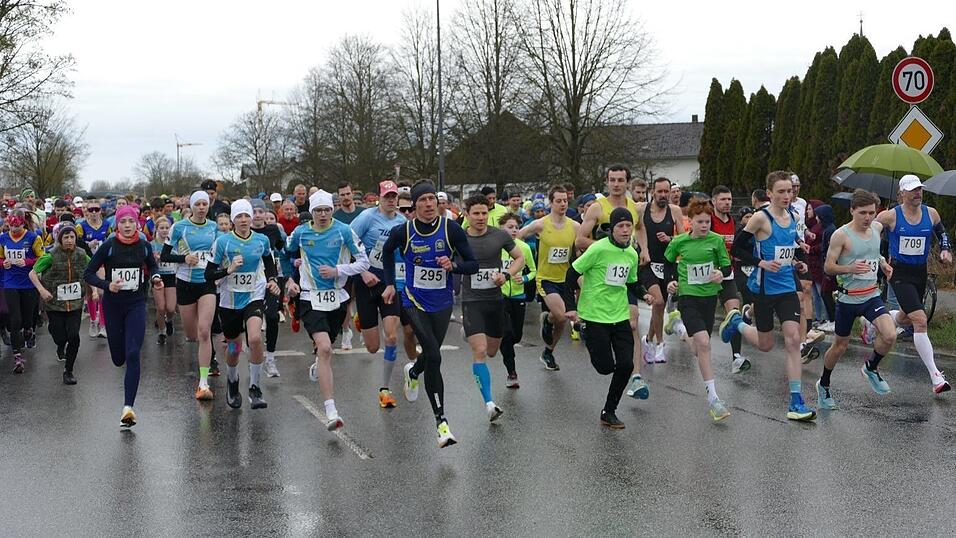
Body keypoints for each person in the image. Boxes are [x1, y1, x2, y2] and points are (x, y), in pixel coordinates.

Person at [381, 180, 478, 448]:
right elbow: (387, 253)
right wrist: (390, 284)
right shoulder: (404, 232)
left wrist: (453, 265)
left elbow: (472, 264)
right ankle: (441, 423)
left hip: (442, 301)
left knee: (430, 355)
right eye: (422, 201)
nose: (428, 205)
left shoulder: (452, 230)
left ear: (437, 202)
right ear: (414, 206)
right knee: (434, 355)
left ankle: (413, 373)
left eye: (431, 200)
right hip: (413, 300)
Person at [721, 170, 817, 421]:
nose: (787, 195)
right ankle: (737, 323)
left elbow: (789, 248)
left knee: (793, 339)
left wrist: (799, 262)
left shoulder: (794, 215)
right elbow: (739, 249)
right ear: (770, 194)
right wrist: (760, 263)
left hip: (786, 287)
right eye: (782, 191)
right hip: (763, 289)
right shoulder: (760, 219)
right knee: (765, 345)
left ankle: (796, 400)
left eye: (790, 191)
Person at [287, 190, 370, 430]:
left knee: (326, 351)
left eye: (326, 210)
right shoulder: (301, 233)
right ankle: (331, 410)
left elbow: (363, 262)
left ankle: (318, 365)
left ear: (332, 210)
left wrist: (338, 271)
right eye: (318, 211)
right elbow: (285, 252)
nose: (323, 215)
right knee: (324, 348)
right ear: (311, 212)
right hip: (309, 297)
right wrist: (290, 277)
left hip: (337, 299)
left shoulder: (344, 231)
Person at [563, 208, 645, 428]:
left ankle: (609, 410)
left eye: (629, 226)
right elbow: (571, 274)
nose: (626, 230)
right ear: (612, 228)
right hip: (595, 314)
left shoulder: (631, 253)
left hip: (619, 314)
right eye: (621, 226)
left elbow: (631, 282)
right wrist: (571, 307)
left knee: (626, 365)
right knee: (605, 367)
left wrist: (644, 293)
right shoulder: (598, 249)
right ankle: (584, 330)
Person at [84, 205, 164, 427]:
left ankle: (128, 408)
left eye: (131, 222)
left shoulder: (144, 246)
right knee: (118, 358)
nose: (127, 226)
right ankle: (120, 362)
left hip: (136, 304)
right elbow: (88, 273)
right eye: (123, 222)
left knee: (132, 354)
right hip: (113, 305)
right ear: (117, 225)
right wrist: (107, 285)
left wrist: (156, 277)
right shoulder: (109, 246)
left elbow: (152, 266)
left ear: (137, 223)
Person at [817, 189, 896, 409]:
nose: (868, 218)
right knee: (840, 346)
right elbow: (828, 267)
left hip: (871, 295)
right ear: (852, 210)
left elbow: (873, 253)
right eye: (862, 213)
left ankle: (871, 367)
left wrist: (882, 263)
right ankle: (824, 384)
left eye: (871, 213)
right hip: (848, 299)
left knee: (889, 335)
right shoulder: (841, 235)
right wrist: (849, 268)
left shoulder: (877, 228)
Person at [577, 165, 651, 400]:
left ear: (627, 183)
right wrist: (607, 249)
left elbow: (640, 228)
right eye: (612, 180)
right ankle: (589, 332)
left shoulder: (634, 207)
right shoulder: (598, 208)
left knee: (633, 321)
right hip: (600, 276)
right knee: (605, 358)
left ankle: (636, 376)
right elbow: (580, 239)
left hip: (623, 274)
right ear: (607, 182)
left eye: (620, 180)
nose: (616, 184)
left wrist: (644, 249)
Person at [875, 174, 951, 394]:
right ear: (901, 194)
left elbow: (942, 233)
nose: (917, 193)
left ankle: (876, 319)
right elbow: (869, 238)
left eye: (919, 189)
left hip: (920, 272)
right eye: (912, 190)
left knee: (906, 317)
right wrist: (880, 261)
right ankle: (936, 377)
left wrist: (945, 249)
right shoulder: (890, 216)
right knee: (920, 319)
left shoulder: (931, 213)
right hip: (899, 272)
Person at [661, 200, 733, 421]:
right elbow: (668, 264)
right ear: (689, 221)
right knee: (704, 343)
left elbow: (727, 265)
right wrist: (670, 282)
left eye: (707, 221)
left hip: (709, 297)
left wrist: (721, 273)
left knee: (697, 348)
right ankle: (713, 399)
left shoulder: (716, 241)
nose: (704, 225)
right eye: (700, 221)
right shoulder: (679, 242)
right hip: (688, 297)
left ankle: (678, 328)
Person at [205, 200, 281, 410]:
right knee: (234, 347)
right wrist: (228, 270)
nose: (244, 220)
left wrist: (272, 280)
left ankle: (255, 387)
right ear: (232, 220)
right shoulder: (223, 243)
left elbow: (268, 262)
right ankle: (232, 379)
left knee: (255, 338)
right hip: (229, 300)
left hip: (253, 295)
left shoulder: (261, 240)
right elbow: (208, 274)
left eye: (247, 216)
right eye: (239, 216)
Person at [460, 194, 525, 421]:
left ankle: (470, 332)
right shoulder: (459, 238)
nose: (480, 217)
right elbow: (447, 261)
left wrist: (506, 275)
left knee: (492, 351)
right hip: (471, 301)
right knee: (479, 352)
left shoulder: (499, 236)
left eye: (484, 213)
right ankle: (489, 403)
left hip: (495, 301)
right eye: (475, 213)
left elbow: (520, 259)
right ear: (466, 214)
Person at [350, 180, 407, 408]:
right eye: (387, 197)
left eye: (394, 197)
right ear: (379, 198)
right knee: (373, 347)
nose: (391, 200)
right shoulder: (367, 217)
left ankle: (384, 389)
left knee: (391, 337)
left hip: (389, 284)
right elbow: (348, 242)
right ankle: (360, 319)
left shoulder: (403, 222)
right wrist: (362, 272)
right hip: (366, 281)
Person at [161, 191, 221, 400]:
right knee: (192, 334)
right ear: (192, 206)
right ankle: (203, 362)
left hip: (207, 283)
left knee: (204, 331)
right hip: (185, 283)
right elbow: (165, 254)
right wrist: (184, 258)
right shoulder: (180, 227)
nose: (202, 207)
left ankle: (203, 382)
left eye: (205, 204)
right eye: (198, 204)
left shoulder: (214, 227)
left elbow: (221, 252)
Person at [518, 185, 579, 371]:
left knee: (562, 319)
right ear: (550, 203)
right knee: (561, 315)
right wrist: (520, 260)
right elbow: (518, 237)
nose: (562, 204)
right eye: (558, 201)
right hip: (545, 278)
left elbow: (579, 251)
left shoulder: (575, 226)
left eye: (565, 201)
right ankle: (548, 320)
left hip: (565, 279)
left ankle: (548, 351)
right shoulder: (540, 224)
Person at [30, 224, 89, 384]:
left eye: (72, 237)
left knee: (74, 337)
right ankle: (59, 344)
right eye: (66, 237)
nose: (69, 240)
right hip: (54, 304)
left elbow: (93, 270)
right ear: (60, 239)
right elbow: (33, 273)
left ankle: (68, 371)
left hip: (75, 304)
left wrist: (96, 290)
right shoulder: (50, 256)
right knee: (60, 336)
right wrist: (42, 290)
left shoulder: (82, 254)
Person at [637, 177, 683, 365]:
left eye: (667, 192)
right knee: (659, 302)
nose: (664, 195)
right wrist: (643, 249)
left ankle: (647, 340)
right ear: (652, 192)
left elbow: (683, 238)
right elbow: (636, 229)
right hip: (647, 263)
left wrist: (670, 239)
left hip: (667, 265)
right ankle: (660, 344)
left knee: (660, 306)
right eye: (660, 192)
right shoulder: (641, 209)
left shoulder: (675, 211)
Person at [709, 185, 749, 373]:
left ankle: (736, 358)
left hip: (727, 274)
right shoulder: (708, 220)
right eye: (723, 199)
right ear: (714, 201)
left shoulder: (733, 222)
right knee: (705, 321)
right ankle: (701, 350)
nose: (727, 203)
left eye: (729, 199)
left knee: (735, 314)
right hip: (708, 276)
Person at [0, 212, 44, 373]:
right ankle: (17, 357)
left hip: (28, 283)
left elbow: (43, 257)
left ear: (23, 225)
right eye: (11, 226)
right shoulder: (3, 238)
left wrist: (27, 261)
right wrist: (3, 262)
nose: (13, 229)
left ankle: (29, 330)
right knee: (15, 320)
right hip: (10, 283)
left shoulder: (33, 238)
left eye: (17, 226)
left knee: (27, 320)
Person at [498, 213, 536, 388]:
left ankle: (504, 344)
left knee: (516, 335)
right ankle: (511, 372)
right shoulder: (496, 247)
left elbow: (533, 270)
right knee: (507, 334)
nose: (514, 230)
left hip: (519, 296)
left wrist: (526, 279)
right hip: (500, 295)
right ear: (501, 228)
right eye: (510, 227)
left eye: (516, 227)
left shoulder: (524, 248)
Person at [250, 199, 286, 378]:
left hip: (271, 277)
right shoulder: (243, 230)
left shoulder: (273, 229)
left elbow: (281, 248)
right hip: (250, 281)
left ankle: (270, 358)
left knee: (272, 316)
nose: (257, 215)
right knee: (250, 325)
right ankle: (254, 356)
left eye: (260, 212)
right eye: (253, 212)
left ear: (265, 214)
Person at [76, 198, 111, 338]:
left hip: (102, 262)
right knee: (90, 293)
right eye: (91, 210)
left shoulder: (107, 225)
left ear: (101, 211)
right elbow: (77, 244)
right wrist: (87, 245)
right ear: (87, 211)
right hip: (88, 261)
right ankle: (92, 320)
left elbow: (111, 240)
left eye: (97, 209)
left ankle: (103, 324)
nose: (94, 212)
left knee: (102, 293)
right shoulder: (81, 226)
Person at [150, 218, 177, 344]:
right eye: (162, 228)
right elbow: (147, 263)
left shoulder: (175, 244)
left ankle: (169, 321)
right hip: (157, 277)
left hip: (171, 275)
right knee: (161, 308)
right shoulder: (152, 245)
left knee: (171, 308)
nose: (165, 230)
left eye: (167, 228)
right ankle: (161, 332)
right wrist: (154, 260)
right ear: (157, 229)